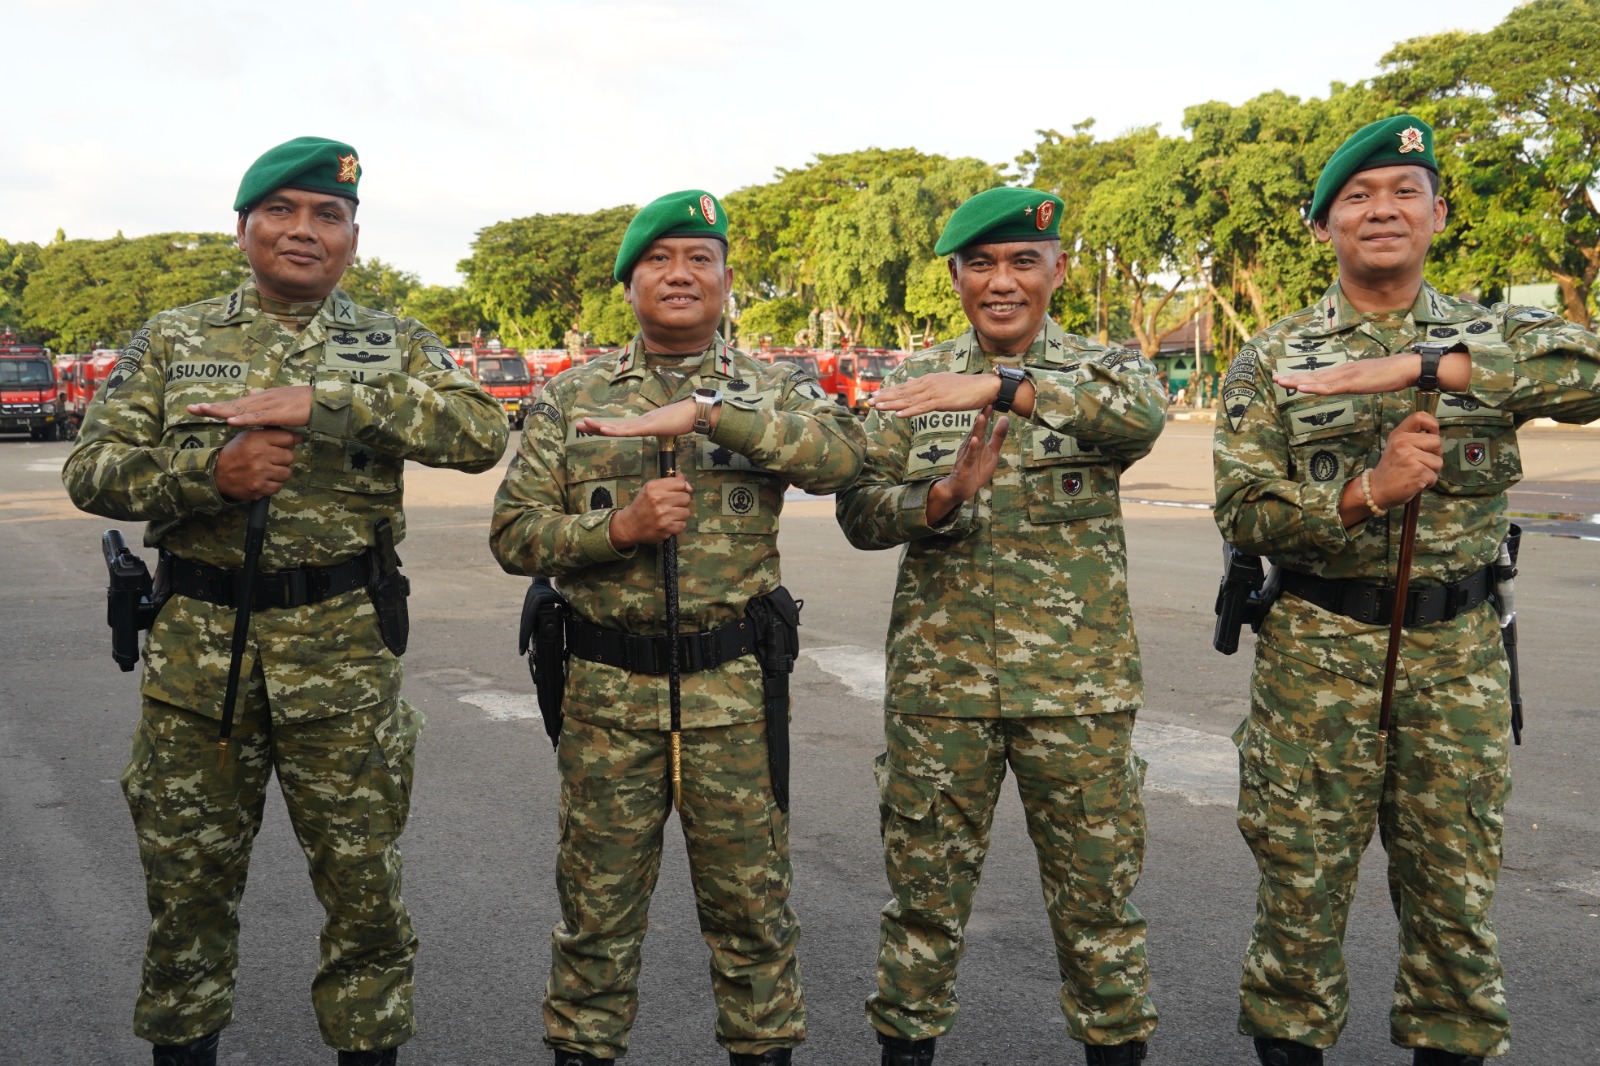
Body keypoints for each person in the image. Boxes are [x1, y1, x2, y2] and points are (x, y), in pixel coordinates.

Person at [62, 137, 509, 1066]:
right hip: (198, 662)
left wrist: (331, 403)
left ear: (352, 238)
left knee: (365, 901)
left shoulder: (394, 340)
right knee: (185, 898)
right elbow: (90, 469)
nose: (304, 230)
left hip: (344, 662)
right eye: (282, 210)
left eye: (327, 215)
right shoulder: (173, 337)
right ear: (244, 226)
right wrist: (205, 476)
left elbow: (478, 433)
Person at [1212, 115, 1600, 1066]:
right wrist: (1365, 493)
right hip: (1316, 656)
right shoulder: (1274, 356)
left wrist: (1435, 367)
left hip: (1457, 652)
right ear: (1323, 227)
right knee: (1298, 903)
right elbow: (1243, 509)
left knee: (1454, 906)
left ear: (1436, 214)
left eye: (1403, 192)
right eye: (1356, 197)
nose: (1381, 210)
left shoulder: (1499, 329)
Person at [489, 189, 866, 1066]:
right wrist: (615, 531)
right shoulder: (568, 398)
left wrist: (710, 413)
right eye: (659, 259)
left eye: (701, 258)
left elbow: (847, 458)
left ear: (728, 280)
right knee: (596, 916)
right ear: (629, 284)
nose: (681, 274)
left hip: (732, 696)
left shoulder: (774, 388)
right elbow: (513, 534)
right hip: (606, 698)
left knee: (752, 916)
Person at [835, 186, 1167, 1066]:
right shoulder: (913, 388)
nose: (1003, 281)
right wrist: (938, 498)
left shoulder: (1106, 371)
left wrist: (1007, 387)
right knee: (922, 905)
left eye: (1024, 260)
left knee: (1098, 906)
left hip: (1079, 692)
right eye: (981, 263)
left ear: (1057, 269)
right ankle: (906, 1049)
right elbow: (860, 514)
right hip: (941, 692)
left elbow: (1142, 421)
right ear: (955, 276)